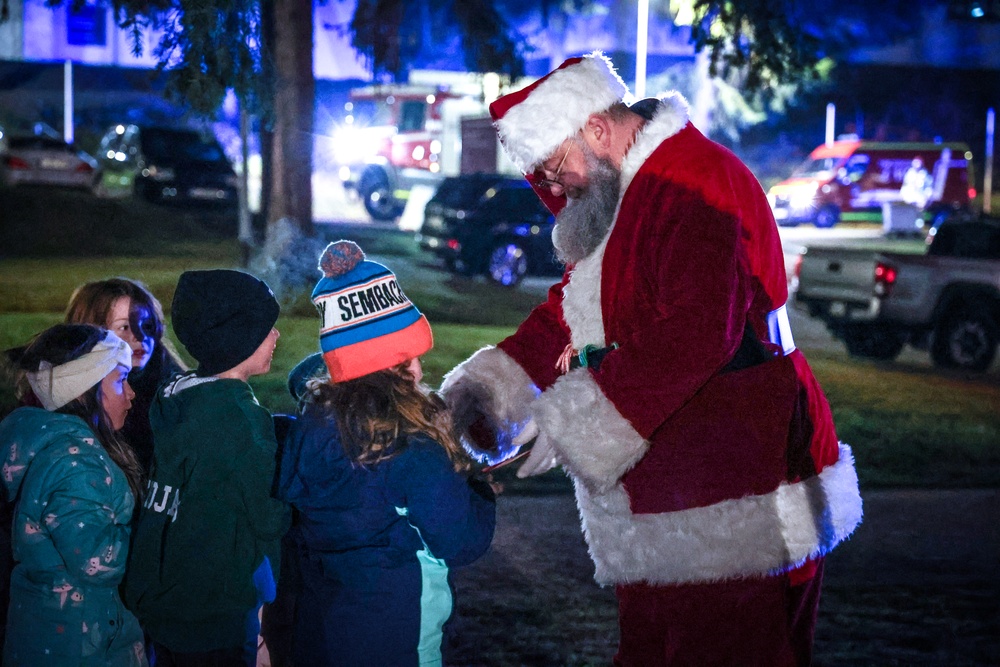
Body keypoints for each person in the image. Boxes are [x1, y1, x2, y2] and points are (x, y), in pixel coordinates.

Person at [440, 52, 863, 665]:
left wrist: (573, 422)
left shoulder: (693, 184)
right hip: (673, 491)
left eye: (555, 168)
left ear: (597, 128)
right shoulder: (626, 197)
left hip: (741, 483)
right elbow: (571, 311)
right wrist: (481, 402)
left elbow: (697, 332)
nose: (554, 188)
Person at [275, 241, 496, 667]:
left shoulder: (311, 428)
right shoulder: (413, 451)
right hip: (394, 639)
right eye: (407, 357)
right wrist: (478, 488)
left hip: (319, 632)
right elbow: (461, 541)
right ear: (390, 366)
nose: (418, 368)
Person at [125, 269, 291, 667]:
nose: (276, 336)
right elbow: (267, 518)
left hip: (165, 599)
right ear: (238, 339)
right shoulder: (239, 418)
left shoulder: (177, 399)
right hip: (214, 609)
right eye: (267, 328)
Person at [0, 324, 147, 665]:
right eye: (120, 379)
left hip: (47, 631)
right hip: (81, 643)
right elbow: (97, 562)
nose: (131, 393)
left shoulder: (51, 445)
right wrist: (156, 535)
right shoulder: (75, 463)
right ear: (83, 389)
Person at [64, 278, 186, 477]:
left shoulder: (176, 394)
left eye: (146, 325)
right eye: (124, 328)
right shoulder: (68, 401)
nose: (139, 337)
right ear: (88, 331)